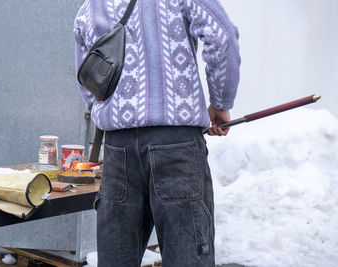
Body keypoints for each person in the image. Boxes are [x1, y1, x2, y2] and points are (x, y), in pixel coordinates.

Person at [74, 0, 240, 266]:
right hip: (177, 145)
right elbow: (222, 37)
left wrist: (109, 109)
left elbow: (88, 76)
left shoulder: (92, 5)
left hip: (118, 148)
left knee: (117, 258)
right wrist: (220, 104)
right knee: (188, 255)